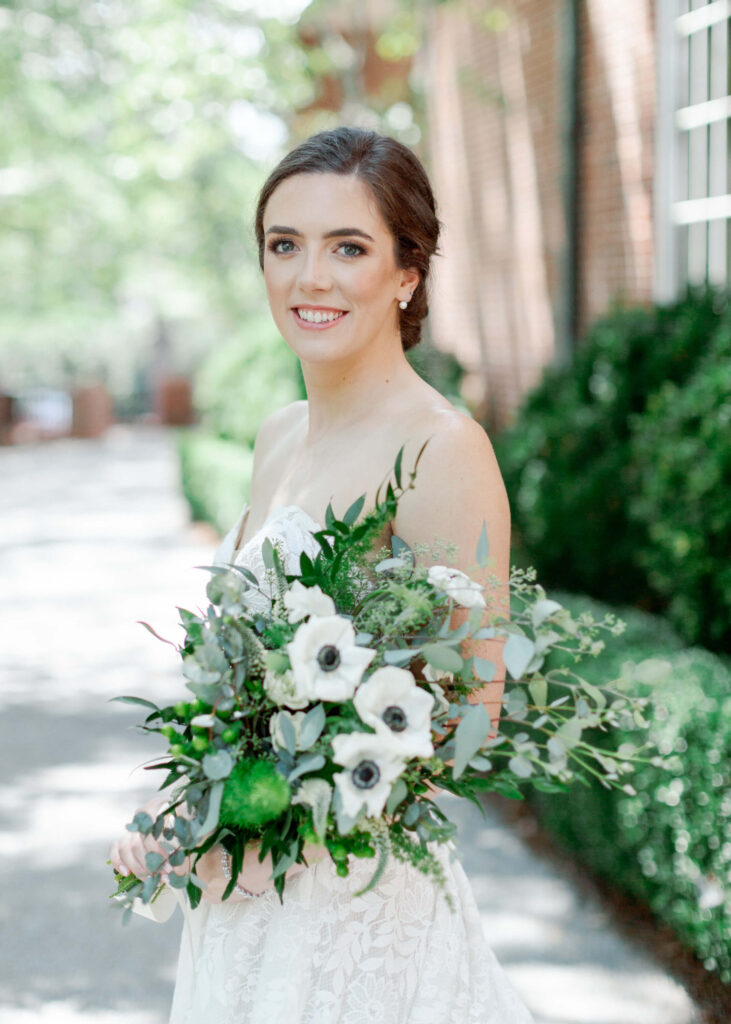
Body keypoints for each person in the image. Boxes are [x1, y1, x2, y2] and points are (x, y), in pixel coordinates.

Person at [110, 126, 535, 1023]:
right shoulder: (275, 436)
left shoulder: (440, 448)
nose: (311, 277)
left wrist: (267, 841)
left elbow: (469, 713)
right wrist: (186, 816)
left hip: (358, 925)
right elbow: (242, 700)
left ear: (407, 272)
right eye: (284, 245)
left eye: (349, 248)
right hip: (234, 916)